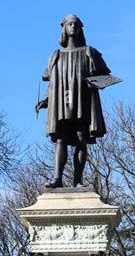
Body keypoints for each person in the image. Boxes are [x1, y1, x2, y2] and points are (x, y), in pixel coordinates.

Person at [35, 14, 111, 188]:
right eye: (70, 24)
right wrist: (46, 101)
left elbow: (106, 75)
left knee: (81, 139)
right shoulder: (56, 55)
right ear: (64, 28)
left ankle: (78, 180)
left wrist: (95, 84)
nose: (73, 27)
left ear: (80, 28)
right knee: (61, 139)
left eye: (76, 24)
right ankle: (57, 178)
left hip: (82, 102)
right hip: (61, 104)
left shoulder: (89, 52)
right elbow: (53, 82)